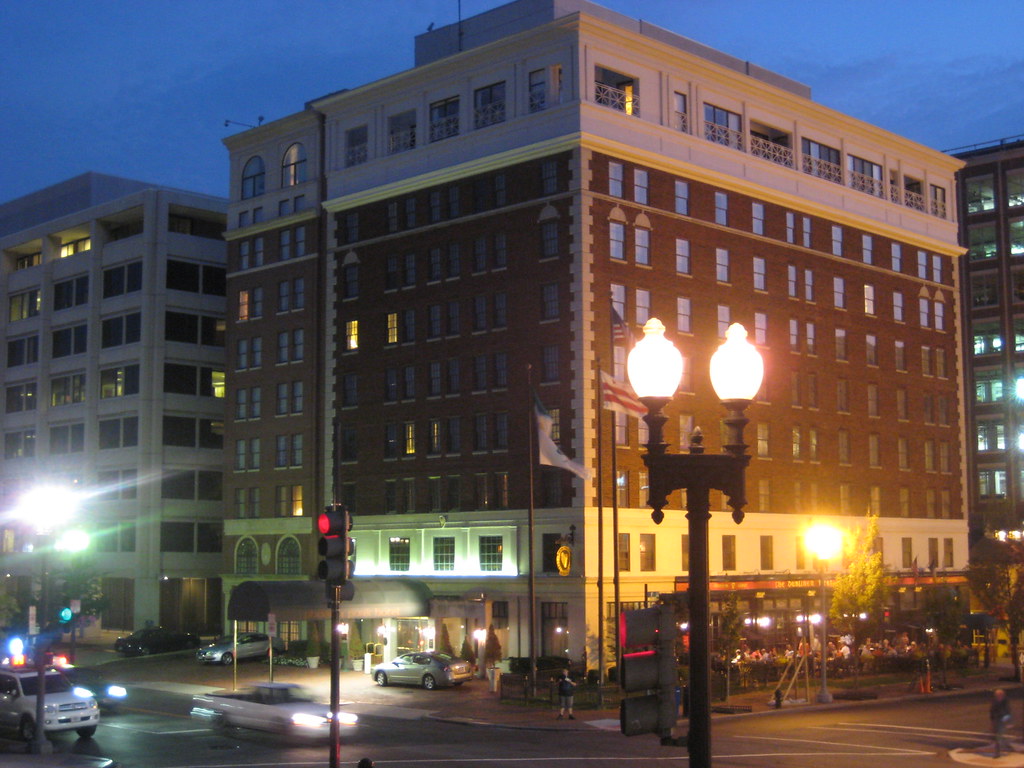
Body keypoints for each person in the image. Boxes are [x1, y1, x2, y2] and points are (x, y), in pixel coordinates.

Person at [990, 688, 1011, 758]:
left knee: (998, 737)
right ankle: (1006, 747)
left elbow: (1007, 712)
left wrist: (1007, 721)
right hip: (997, 721)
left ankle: (997, 753)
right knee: (998, 736)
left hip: (1002, 721)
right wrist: (993, 721)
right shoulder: (995, 701)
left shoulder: (1004, 702)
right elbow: (992, 711)